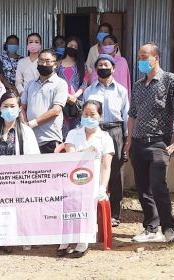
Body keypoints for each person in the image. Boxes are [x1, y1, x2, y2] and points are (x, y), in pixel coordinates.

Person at [125, 42, 174, 243]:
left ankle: (169, 229)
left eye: (145, 57)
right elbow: (132, 115)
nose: (141, 60)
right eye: (140, 57)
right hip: (138, 143)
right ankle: (151, 227)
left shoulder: (169, 80)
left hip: (159, 142)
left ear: (156, 58)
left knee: (159, 185)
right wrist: (128, 141)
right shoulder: (138, 85)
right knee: (143, 189)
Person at [57, 99, 113, 258]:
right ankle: (65, 239)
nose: (88, 117)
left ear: (100, 117)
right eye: (85, 114)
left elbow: (106, 166)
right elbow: (71, 157)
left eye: (92, 114)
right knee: (68, 199)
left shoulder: (105, 138)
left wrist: (103, 187)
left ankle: (83, 241)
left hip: (93, 183)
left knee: (89, 196)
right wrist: (87, 151)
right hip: (72, 180)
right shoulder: (73, 133)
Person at [83, 54, 129, 227]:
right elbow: (86, 114)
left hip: (115, 131)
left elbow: (126, 115)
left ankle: (114, 213)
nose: (103, 67)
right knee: (94, 169)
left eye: (106, 64)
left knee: (115, 172)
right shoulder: (89, 91)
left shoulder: (121, 91)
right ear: (96, 69)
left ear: (113, 68)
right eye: (100, 65)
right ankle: (93, 210)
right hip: (95, 130)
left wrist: (126, 139)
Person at [20, 49, 69, 154]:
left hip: (50, 139)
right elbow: (22, 107)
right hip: (30, 139)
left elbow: (56, 110)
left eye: (47, 61)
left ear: (55, 65)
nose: (44, 64)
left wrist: (33, 123)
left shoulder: (60, 84)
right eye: (41, 61)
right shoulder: (30, 84)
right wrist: (25, 126)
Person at [0, 92, 41, 156]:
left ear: (19, 108)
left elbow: (32, 157)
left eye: (12, 106)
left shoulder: (27, 131)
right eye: (5, 106)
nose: (9, 109)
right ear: (0, 108)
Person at [57, 36, 87, 135]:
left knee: (77, 132)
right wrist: (65, 95)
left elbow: (84, 83)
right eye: (70, 45)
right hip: (61, 100)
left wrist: (74, 96)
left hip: (77, 102)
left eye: (75, 46)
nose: (72, 48)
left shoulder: (82, 65)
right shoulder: (58, 64)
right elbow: (54, 82)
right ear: (66, 46)